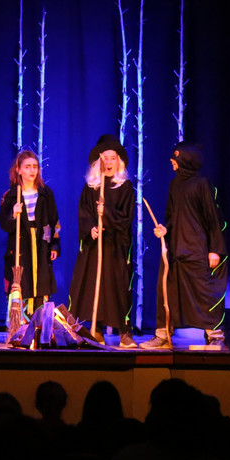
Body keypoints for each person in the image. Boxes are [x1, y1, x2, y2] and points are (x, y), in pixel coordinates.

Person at [140, 141, 229, 350]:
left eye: (176, 157)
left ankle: (215, 335)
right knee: (167, 292)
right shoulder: (175, 184)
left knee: (204, 292)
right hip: (175, 249)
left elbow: (213, 218)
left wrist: (215, 250)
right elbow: (171, 216)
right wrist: (165, 230)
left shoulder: (202, 184)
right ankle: (163, 335)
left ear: (187, 159)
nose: (172, 160)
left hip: (197, 249)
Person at [69, 134, 136, 348]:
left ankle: (124, 332)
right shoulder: (91, 187)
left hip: (115, 247)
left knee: (118, 289)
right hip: (94, 248)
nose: (108, 162)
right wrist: (91, 227)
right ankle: (95, 329)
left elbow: (125, 219)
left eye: (113, 158)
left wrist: (105, 213)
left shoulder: (125, 187)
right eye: (105, 158)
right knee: (92, 286)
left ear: (119, 161)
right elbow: (83, 214)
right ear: (99, 162)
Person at [0, 150, 61, 313]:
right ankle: (21, 322)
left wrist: (54, 244)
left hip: (41, 244)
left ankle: (40, 322)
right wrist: (13, 215)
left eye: (35, 167)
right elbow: (4, 224)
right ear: (18, 170)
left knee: (40, 282)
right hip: (21, 246)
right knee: (22, 283)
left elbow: (54, 221)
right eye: (27, 167)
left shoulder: (45, 193)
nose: (32, 170)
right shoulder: (11, 196)